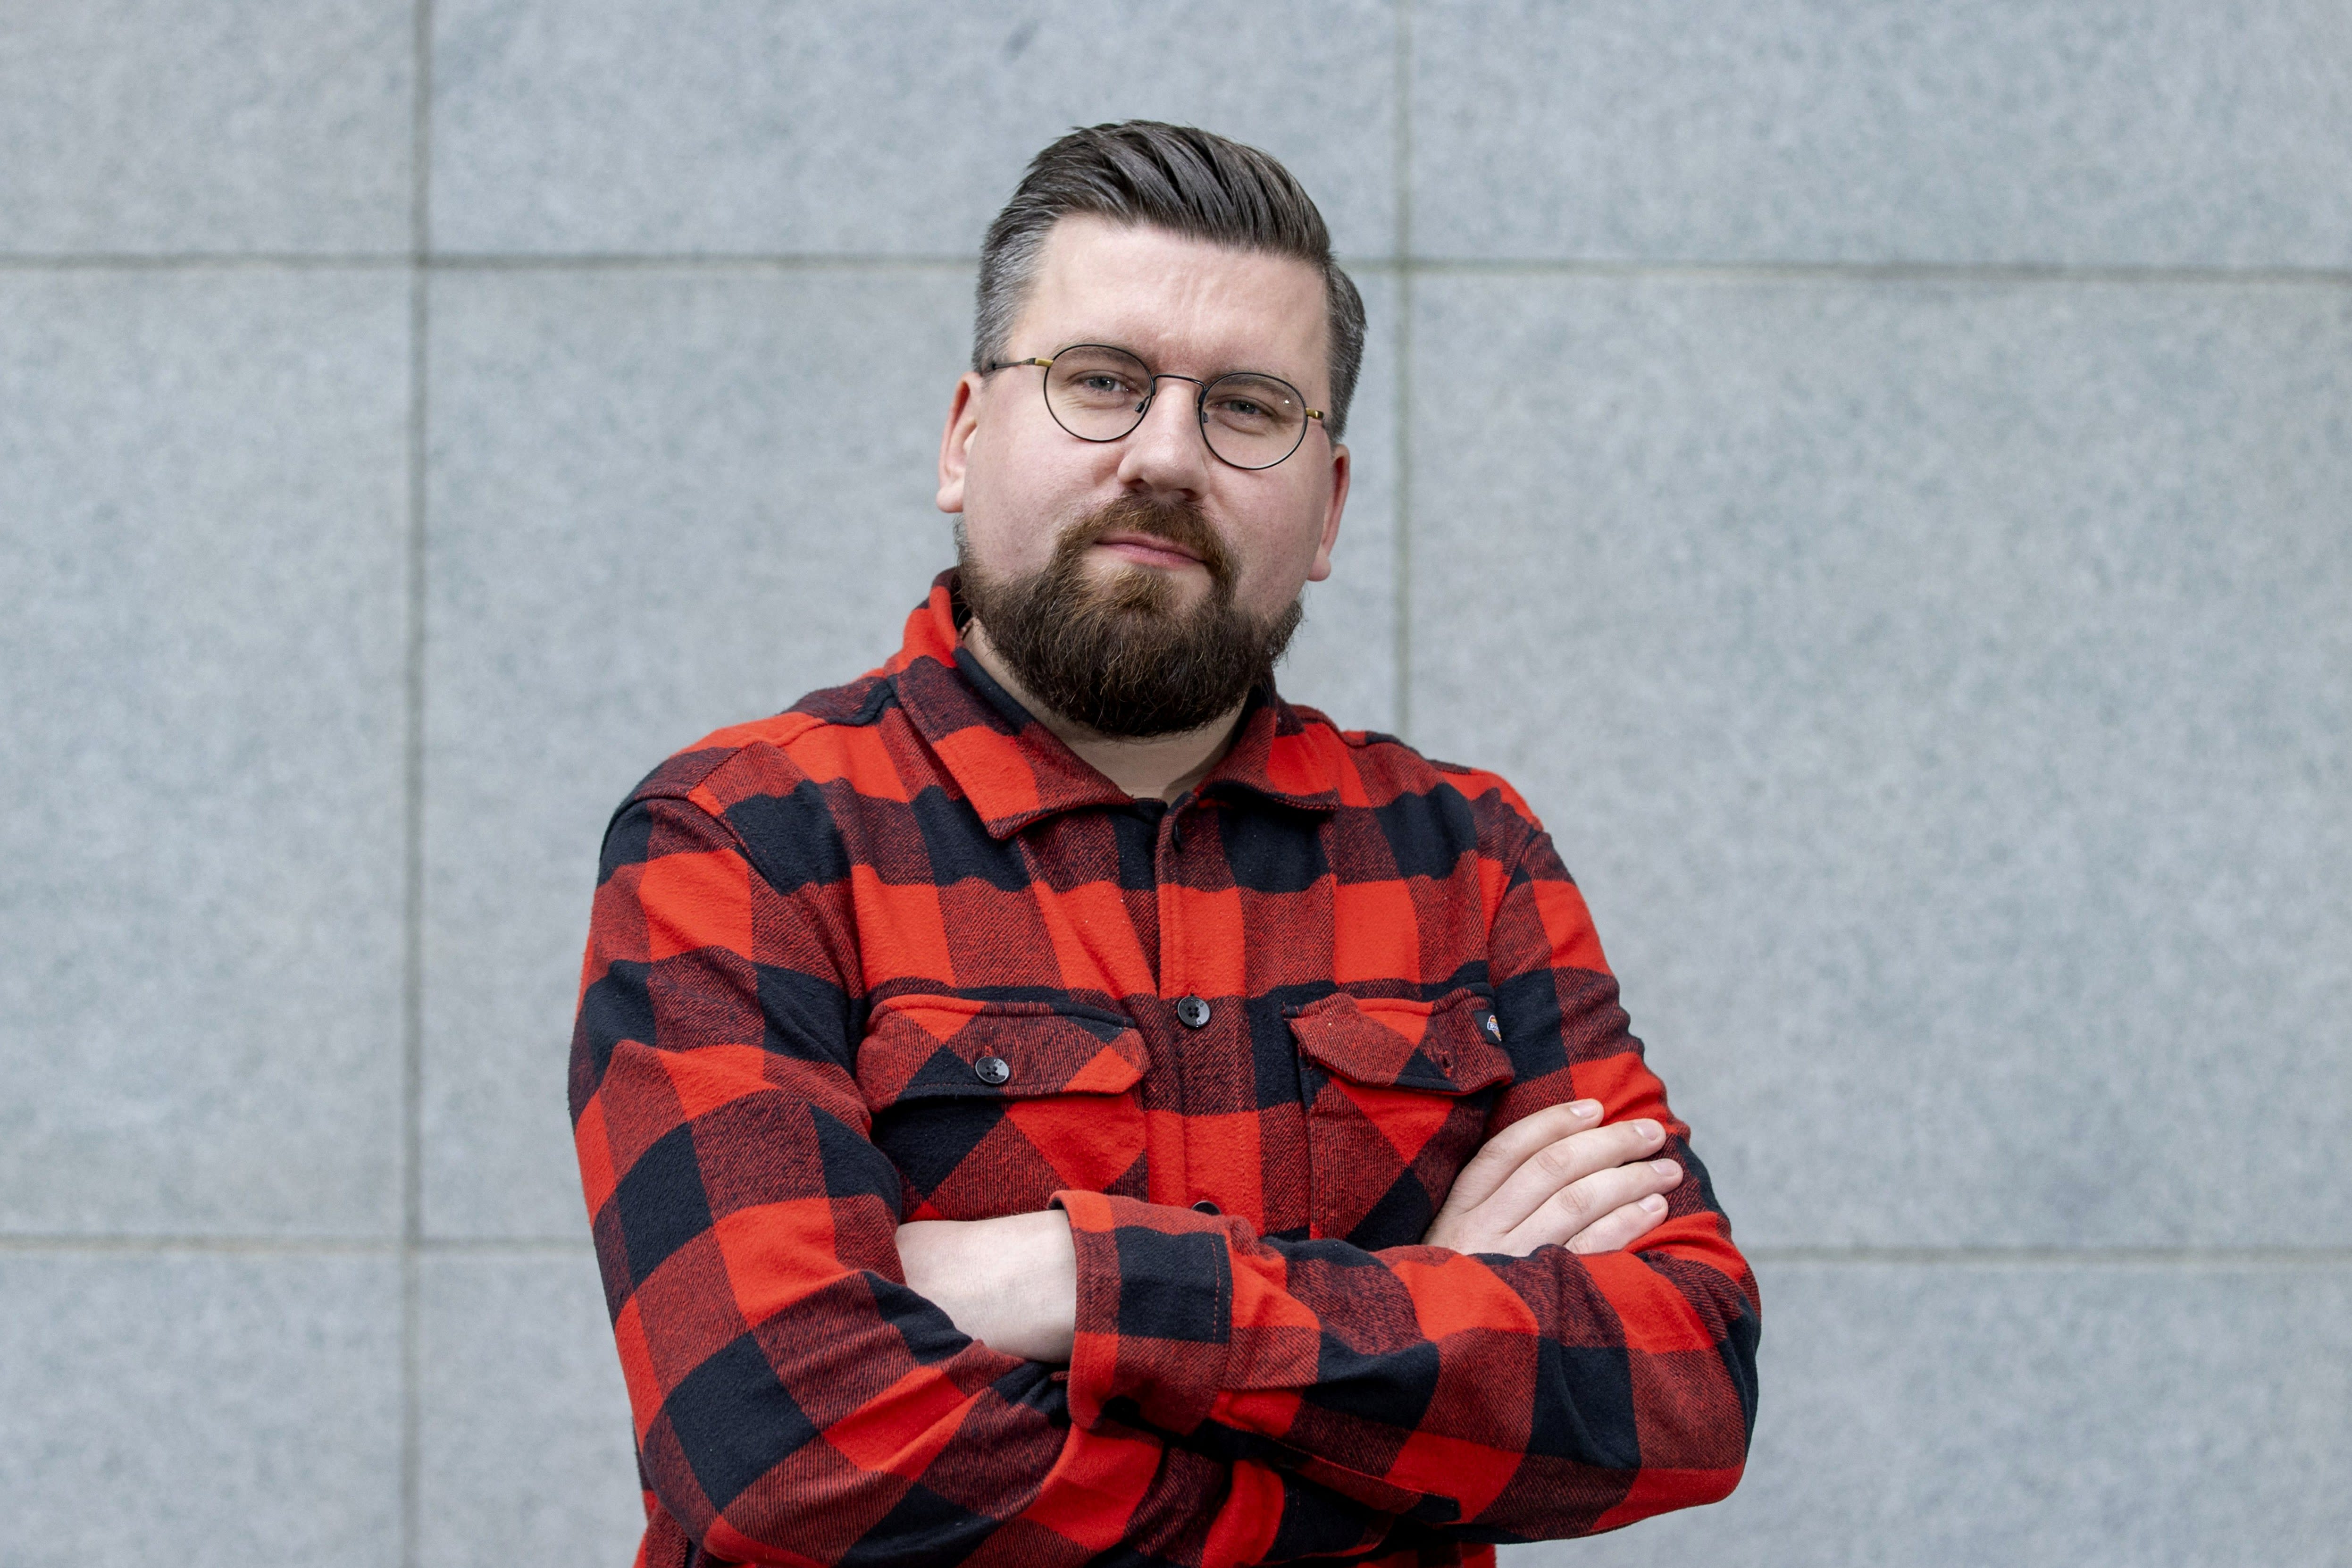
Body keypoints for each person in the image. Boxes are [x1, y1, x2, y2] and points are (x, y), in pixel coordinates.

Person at [570, 121, 1758, 1568]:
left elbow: (1684, 1383)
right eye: (1099, 382)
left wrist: (1079, 1278)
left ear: (1324, 509)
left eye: (1249, 408)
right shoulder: (748, 837)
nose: (1163, 455)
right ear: (963, 437)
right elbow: (781, 1449)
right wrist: (1414, 1324)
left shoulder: (1466, 858)